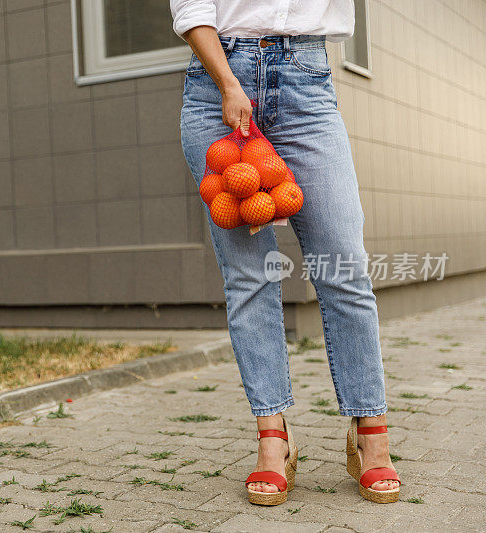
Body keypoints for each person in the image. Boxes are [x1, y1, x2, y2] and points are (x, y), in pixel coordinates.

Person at [170, 0, 401, 505]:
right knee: (249, 276)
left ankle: (370, 431)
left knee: (344, 267)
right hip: (216, 83)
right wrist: (231, 84)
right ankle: (273, 437)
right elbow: (190, 7)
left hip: (306, 81)